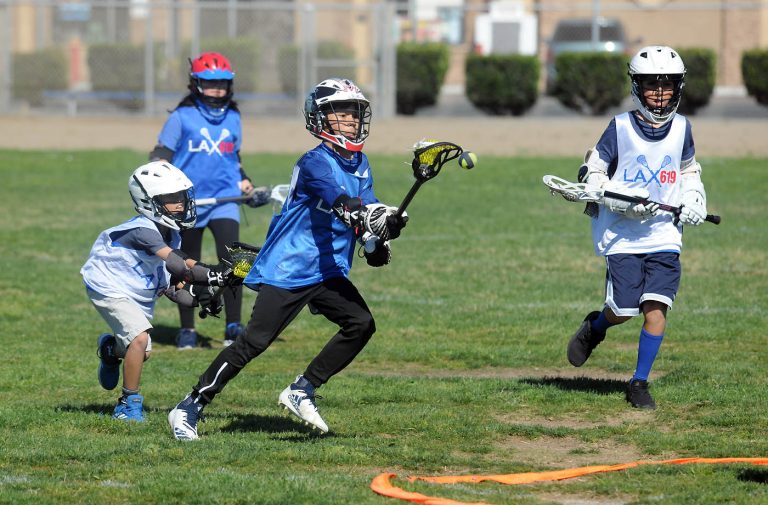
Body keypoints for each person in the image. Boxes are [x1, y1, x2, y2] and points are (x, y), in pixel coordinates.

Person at [168, 77, 407, 440]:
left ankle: (302, 389)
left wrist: (379, 235)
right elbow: (343, 203)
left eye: (355, 113)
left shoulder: (360, 162)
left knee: (360, 323)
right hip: (291, 267)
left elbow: (365, 211)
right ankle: (189, 406)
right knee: (254, 343)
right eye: (342, 114)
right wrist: (366, 216)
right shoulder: (315, 162)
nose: (352, 121)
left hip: (326, 268)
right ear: (321, 120)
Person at [565, 46, 709, 410]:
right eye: (651, 85)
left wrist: (694, 199)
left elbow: (689, 170)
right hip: (621, 234)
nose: (659, 94)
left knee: (656, 307)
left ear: (678, 88)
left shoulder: (682, 128)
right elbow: (592, 173)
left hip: (664, 232)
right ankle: (596, 327)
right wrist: (621, 200)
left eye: (667, 85)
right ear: (636, 87)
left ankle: (639, 382)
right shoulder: (619, 127)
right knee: (624, 309)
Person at [81, 161, 230, 421]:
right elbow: (178, 264)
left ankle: (110, 350)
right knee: (139, 339)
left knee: (141, 352)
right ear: (148, 201)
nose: (181, 203)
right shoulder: (143, 231)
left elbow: (177, 288)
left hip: (135, 290)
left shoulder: (172, 235)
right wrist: (214, 275)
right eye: (172, 198)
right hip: (108, 285)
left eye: (181, 197)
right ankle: (128, 404)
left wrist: (203, 295)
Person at [150, 51, 266, 349]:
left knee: (234, 264)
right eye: (210, 83)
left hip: (226, 200)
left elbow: (232, 156)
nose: (217, 89)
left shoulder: (234, 116)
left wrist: (244, 178)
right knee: (187, 266)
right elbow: (161, 155)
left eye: (222, 84)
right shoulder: (181, 117)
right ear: (196, 83)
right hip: (189, 205)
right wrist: (161, 188)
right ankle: (187, 329)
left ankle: (233, 326)